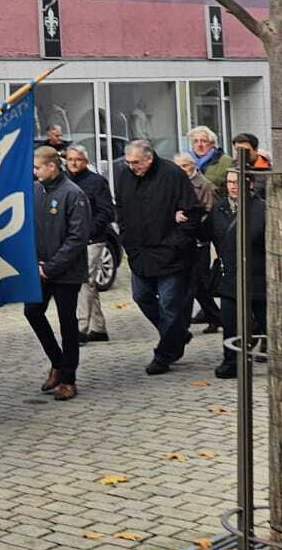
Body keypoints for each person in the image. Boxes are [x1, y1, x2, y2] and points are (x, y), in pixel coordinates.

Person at [113, 139, 202, 375]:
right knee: (142, 297)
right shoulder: (125, 176)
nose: (132, 167)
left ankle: (165, 354)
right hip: (139, 253)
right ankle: (177, 335)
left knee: (170, 305)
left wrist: (175, 244)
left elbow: (192, 214)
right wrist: (126, 239)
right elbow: (120, 208)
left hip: (171, 255)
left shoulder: (173, 175)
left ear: (149, 158)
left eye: (136, 162)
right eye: (129, 162)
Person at [28, 147, 90, 400]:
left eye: (37, 168)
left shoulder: (73, 194)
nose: (34, 172)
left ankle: (69, 379)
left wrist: (51, 267)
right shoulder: (36, 190)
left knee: (67, 322)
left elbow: (77, 238)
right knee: (32, 312)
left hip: (66, 272)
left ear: (52, 166)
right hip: (39, 269)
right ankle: (58, 362)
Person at [208, 170, 266, 379]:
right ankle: (232, 361)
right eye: (229, 182)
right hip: (230, 275)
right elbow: (208, 233)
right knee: (230, 321)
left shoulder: (262, 209)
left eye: (237, 182)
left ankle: (277, 355)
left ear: (249, 184)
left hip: (257, 276)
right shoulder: (220, 207)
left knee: (264, 319)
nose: (232, 186)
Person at [64, 145, 115, 344]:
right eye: (70, 159)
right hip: (70, 240)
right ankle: (99, 328)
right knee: (88, 283)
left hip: (93, 240)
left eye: (78, 159)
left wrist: (89, 230)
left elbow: (106, 211)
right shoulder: (64, 182)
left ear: (86, 161)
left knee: (84, 281)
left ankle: (81, 328)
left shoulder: (97, 182)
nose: (74, 163)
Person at [174, 153, 220, 333]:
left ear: (193, 166)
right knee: (196, 284)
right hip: (181, 240)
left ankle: (213, 317)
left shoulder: (205, 185)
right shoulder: (175, 183)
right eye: (178, 166)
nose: (181, 170)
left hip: (199, 240)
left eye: (185, 166)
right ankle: (216, 317)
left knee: (196, 282)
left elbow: (211, 213)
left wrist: (192, 221)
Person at [187, 126, 228, 194]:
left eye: (203, 141)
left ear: (212, 143)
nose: (199, 145)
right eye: (195, 141)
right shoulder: (185, 161)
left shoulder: (225, 161)